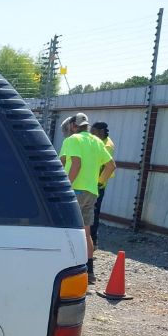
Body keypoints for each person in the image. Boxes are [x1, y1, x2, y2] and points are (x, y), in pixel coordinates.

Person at [59, 113, 116, 284]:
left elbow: (74, 164)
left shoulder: (72, 140)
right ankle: (89, 271)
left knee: (66, 230)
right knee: (86, 233)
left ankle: (65, 269)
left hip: (74, 191)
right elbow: (111, 166)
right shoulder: (97, 141)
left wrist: (65, 187)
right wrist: (99, 183)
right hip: (91, 192)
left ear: (73, 126)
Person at [89, 122, 115, 247]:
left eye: (92, 132)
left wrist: (98, 183)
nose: (91, 134)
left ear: (100, 132)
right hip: (92, 183)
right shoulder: (100, 141)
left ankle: (93, 242)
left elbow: (106, 166)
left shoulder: (107, 145)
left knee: (92, 214)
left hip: (97, 185)